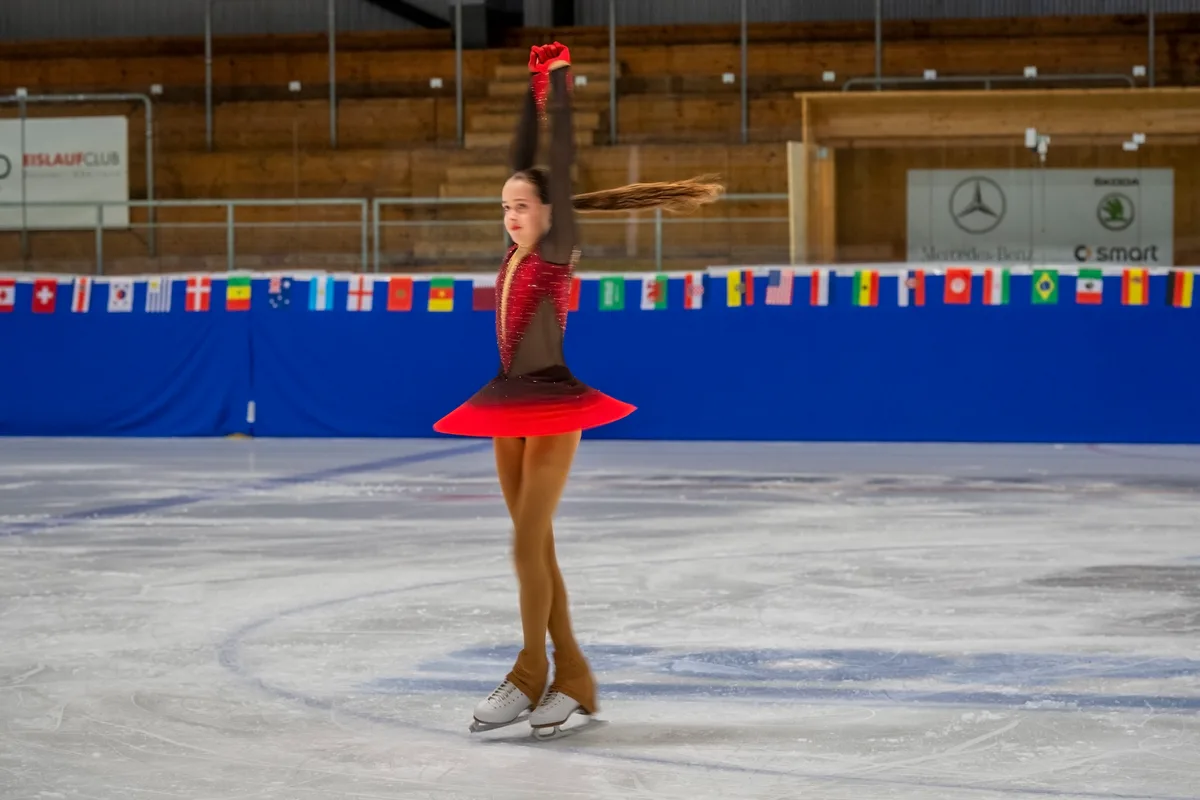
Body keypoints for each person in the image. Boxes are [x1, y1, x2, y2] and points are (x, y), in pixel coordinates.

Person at [433, 41, 722, 736]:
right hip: (505, 401)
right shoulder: (514, 249)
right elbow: (526, 156)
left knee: (526, 544)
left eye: (521, 205)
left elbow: (553, 159)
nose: (510, 214)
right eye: (504, 206)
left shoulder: (558, 242)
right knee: (537, 546)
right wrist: (532, 89)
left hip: (553, 402)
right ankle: (576, 676)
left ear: (549, 208)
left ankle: (530, 671)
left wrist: (560, 86)